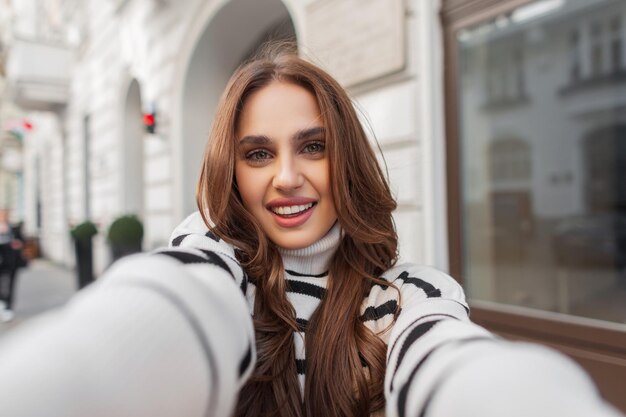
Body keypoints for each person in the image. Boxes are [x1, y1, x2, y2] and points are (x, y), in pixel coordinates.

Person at [0, 45, 622, 417]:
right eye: (259, 154)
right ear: (232, 171)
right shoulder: (215, 267)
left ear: (345, 156)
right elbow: (160, 316)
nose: (287, 178)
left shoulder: (407, 300)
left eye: (313, 146)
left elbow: (454, 366)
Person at [0, 209, 23, 322]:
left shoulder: (13, 229)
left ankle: (8, 307)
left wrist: (17, 243)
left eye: (5, 215)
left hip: (11, 262)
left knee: (10, 284)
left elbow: (20, 241)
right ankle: (2, 302)